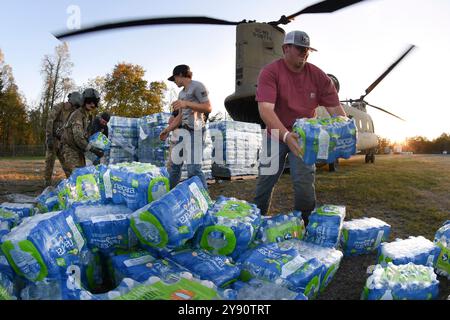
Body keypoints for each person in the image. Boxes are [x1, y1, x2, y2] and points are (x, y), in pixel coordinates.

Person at [254, 30, 347, 226]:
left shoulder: (319, 76)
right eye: (300, 48)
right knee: (266, 179)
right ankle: (256, 221)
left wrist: (345, 135)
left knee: (304, 181)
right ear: (285, 48)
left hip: (305, 137)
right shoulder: (270, 72)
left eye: (307, 50)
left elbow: (337, 113)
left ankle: (306, 225)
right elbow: (266, 110)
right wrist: (286, 136)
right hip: (276, 134)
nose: (305, 53)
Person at [159, 64, 211, 189]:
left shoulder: (198, 86)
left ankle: (205, 200)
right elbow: (180, 117)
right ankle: (169, 194)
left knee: (193, 168)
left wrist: (186, 104)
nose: (174, 82)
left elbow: (208, 107)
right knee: (174, 166)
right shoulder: (181, 94)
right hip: (183, 131)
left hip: (196, 131)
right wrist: (167, 130)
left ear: (181, 75)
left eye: (175, 78)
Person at [61, 88, 105, 176]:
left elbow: (86, 136)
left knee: (82, 177)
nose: (92, 105)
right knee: (75, 177)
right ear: (84, 101)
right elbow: (78, 137)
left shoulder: (88, 116)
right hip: (70, 150)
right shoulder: (78, 115)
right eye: (89, 101)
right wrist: (93, 149)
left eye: (94, 102)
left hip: (79, 150)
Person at [44, 91, 82, 186]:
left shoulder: (73, 113)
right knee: (49, 163)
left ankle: (72, 183)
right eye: (74, 106)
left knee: (67, 164)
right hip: (53, 140)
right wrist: (49, 138)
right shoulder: (58, 107)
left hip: (62, 142)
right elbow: (50, 121)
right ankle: (47, 185)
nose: (74, 108)